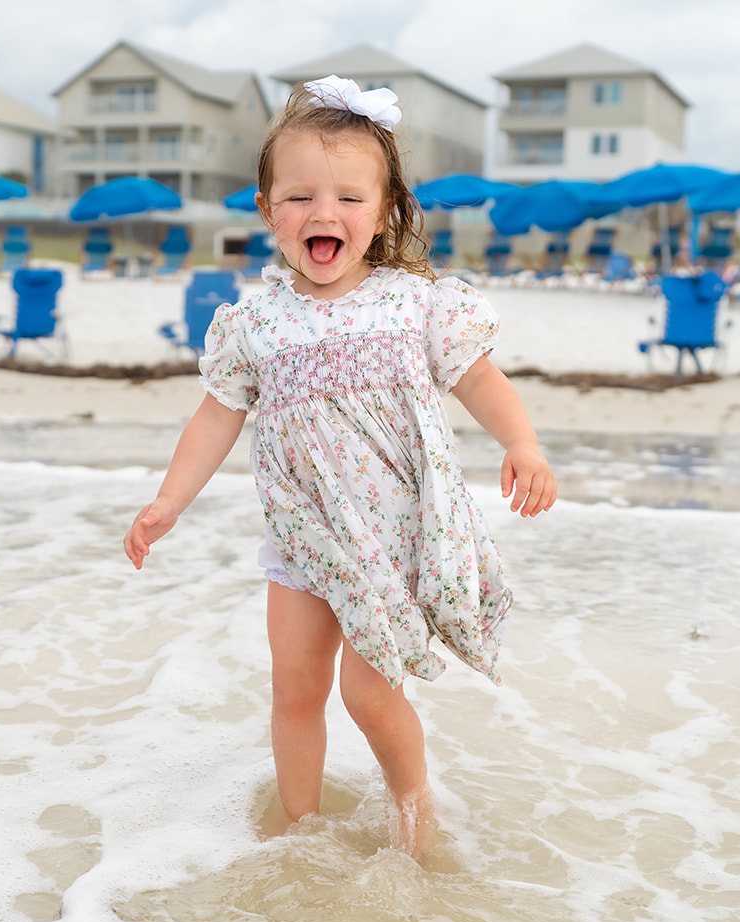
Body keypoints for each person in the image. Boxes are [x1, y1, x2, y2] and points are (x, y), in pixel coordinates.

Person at [122, 77, 556, 856]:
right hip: (300, 540)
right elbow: (217, 414)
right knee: (295, 690)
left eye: (350, 199)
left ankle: (413, 813)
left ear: (384, 211)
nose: (324, 214)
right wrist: (169, 500)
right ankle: (298, 833)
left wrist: (521, 443)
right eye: (299, 197)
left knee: (367, 690)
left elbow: (479, 378)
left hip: (388, 542)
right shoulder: (253, 322)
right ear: (266, 208)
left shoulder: (415, 303)